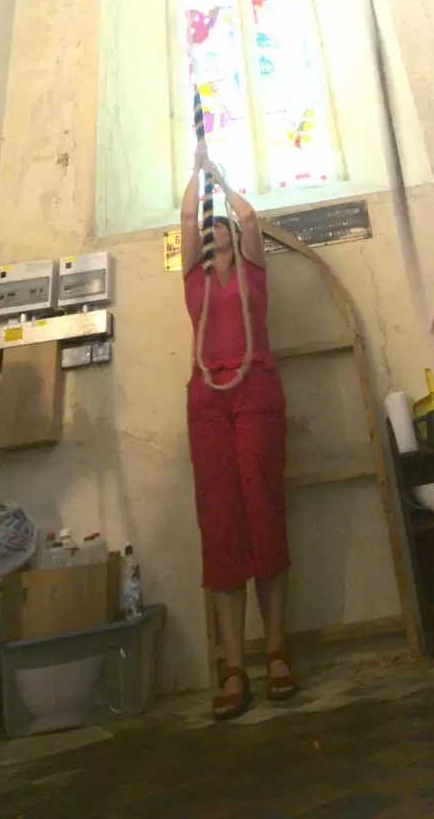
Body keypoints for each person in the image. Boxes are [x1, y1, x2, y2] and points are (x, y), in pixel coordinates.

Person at [181, 145, 297, 720]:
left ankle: (276, 651)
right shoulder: (194, 278)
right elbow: (183, 219)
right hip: (207, 402)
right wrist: (193, 172)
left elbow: (250, 218)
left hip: (256, 393)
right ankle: (234, 666)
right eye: (206, 227)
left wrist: (220, 177)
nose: (211, 230)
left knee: (263, 512)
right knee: (222, 525)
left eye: (216, 224)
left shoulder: (252, 266)